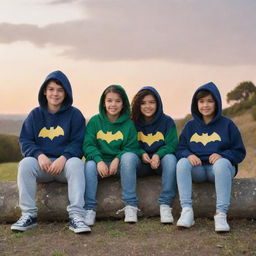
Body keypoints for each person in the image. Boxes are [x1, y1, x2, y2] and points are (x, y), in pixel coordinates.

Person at [11, 70, 91, 234]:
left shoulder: (75, 115)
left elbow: (79, 142)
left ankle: (77, 216)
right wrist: (39, 155)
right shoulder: (35, 115)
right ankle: (29, 215)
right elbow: (25, 140)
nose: (55, 93)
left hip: (64, 167)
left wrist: (64, 157)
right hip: (43, 167)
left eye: (60, 90)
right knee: (25, 164)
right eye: (51, 89)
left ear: (66, 93)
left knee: (77, 163)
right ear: (45, 92)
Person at [176, 82, 246, 232]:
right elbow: (180, 148)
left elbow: (239, 152)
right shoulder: (190, 126)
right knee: (181, 163)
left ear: (217, 103)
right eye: (201, 101)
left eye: (210, 101)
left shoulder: (228, 125)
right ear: (196, 104)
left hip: (220, 170)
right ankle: (187, 211)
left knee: (221, 164)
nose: (205, 105)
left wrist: (223, 155)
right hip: (198, 170)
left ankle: (221, 214)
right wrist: (188, 155)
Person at [83, 85, 140, 226]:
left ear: (123, 103)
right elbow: (88, 145)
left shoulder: (129, 124)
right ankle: (89, 209)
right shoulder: (95, 121)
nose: (113, 104)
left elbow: (131, 146)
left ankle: (130, 206)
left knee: (129, 157)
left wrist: (117, 158)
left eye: (117, 101)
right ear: (104, 102)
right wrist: (98, 160)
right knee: (89, 165)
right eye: (109, 100)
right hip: (100, 164)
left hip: (122, 165)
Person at [130, 86, 178, 223]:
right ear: (138, 105)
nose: (148, 106)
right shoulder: (133, 122)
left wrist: (158, 154)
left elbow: (172, 144)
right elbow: (130, 144)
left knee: (170, 159)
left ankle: (165, 205)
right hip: (142, 164)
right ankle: (130, 205)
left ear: (158, 103)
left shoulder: (167, 122)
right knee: (129, 158)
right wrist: (141, 153)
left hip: (161, 163)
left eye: (151, 102)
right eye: (143, 103)